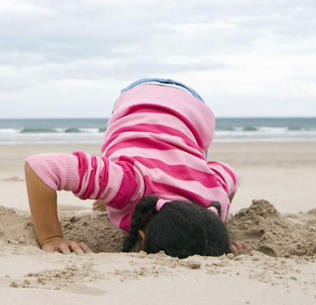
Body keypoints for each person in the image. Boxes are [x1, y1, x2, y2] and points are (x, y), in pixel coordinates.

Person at [25, 78, 246, 258]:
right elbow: (40, 167)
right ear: (141, 236)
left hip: (192, 111)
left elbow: (230, 175)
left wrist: (215, 231)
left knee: (114, 178)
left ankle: (107, 192)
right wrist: (51, 238)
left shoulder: (214, 196)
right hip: (140, 101)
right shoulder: (130, 183)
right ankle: (107, 192)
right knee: (115, 176)